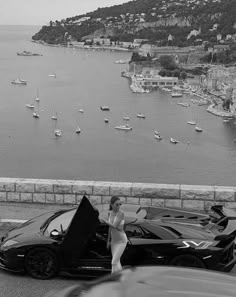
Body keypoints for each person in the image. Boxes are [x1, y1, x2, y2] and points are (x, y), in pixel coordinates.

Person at [101, 196, 127, 273]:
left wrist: (105, 221)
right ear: (111, 204)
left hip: (122, 241)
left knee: (113, 262)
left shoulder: (121, 213)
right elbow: (110, 228)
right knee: (117, 262)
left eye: (120, 204)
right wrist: (108, 241)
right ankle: (120, 280)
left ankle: (114, 279)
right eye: (117, 204)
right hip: (114, 241)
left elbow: (115, 226)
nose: (119, 206)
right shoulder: (110, 213)